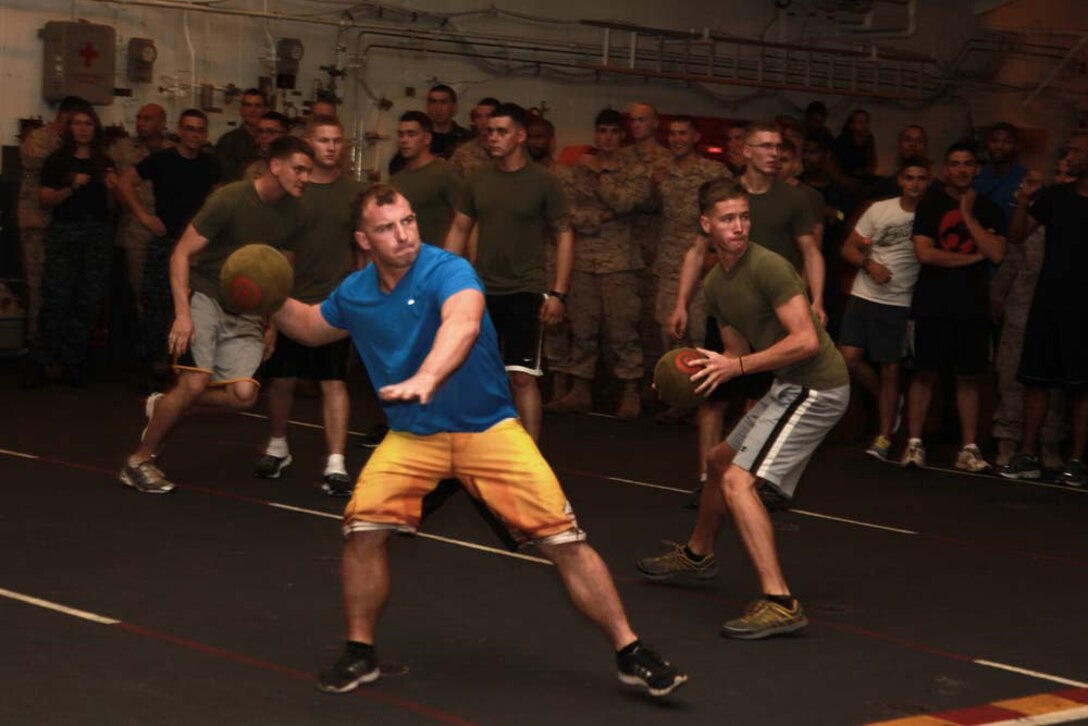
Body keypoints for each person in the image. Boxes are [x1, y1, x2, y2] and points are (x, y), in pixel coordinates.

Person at [270, 183, 687, 697]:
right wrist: (267, 297)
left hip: (487, 431)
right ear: (363, 240)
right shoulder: (355, 293)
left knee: (565, 542)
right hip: (413, 437)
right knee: (362, 531)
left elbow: (463, 323)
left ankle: (630, 651)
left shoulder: (448, 270)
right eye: (386, 228)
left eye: (407, 221)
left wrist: (428, 375)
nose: (403, 235)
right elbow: (311, 327)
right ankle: (360, 651)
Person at [637, 179, 850, 639]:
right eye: (728, 219)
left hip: (817, 387)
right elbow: (735, 356)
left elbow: (806, 340)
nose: (739, 227)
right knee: (719, 461)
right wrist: (687, 371)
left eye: (744, 217)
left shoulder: (770, 267)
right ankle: (697, 555)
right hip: (787, 384)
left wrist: (736, 364)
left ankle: (780, 601)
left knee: (738, 482)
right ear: (706, 224)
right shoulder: (715, 283)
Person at [118, 136, 314, 494]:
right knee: (194, 382)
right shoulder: (230, 199)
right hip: (205, 297)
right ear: (275, 165)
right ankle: (139, 461)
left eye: (308, 171)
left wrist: (271, 325)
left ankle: (166, 406)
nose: (304, 177)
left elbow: (278, 272)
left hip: (248, 312)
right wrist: (182, 314)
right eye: (299, 169)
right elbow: (180, 255)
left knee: (243, 396)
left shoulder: (297, 214)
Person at [444, 103, 573, 441]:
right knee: (471, 373)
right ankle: (473, 446)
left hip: (525, 291)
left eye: (501, 131)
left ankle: (529, 460)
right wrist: (443, 282)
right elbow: (459, 229)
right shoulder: (477, 180)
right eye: (489, 131)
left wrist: (558, 293)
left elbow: (564, 234)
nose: (493, 138)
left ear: (521, 136)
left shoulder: (543, 182)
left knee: (522, 377)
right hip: (482, 291)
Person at [257, 117, 364, 496]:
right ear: (308, 143)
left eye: (337, 140)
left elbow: (362, 251)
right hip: (291, 301)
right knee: (282, 379)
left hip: (336, 304)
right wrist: (271, 312)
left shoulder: (355, 193)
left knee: (333, 382)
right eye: (323, 140)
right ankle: (278, 446)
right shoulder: (293, 192)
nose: (331, 147)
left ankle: (336, 463)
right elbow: (278, 254)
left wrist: (361, 299)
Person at [901, 141, 1006, 470]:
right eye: (955, 163)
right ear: (946, 169)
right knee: (924, 374)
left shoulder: (988, 208)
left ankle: (969, 448)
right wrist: (972, 257)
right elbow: (925, 253)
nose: (961, 169)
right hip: (933, 301)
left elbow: (998, 253)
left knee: (969, 377)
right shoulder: (930, 204)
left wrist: (965, 214)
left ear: (976, 169)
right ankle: (914, 444)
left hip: (972, 304)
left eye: (968, 163)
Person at [544, 109, 652, 419]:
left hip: (619, 262)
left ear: (621, 136)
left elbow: (625, 202)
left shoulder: (634, 170)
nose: (606, 137)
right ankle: (580, 389)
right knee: (582, 328)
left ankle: (630, 391)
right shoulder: (577, 171)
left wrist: (600, 177)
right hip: (582, 260)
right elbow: (568, 213)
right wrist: (601, 217)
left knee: (623, 330)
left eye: (612, 131)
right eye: (601, 131)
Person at [1000, 134, 1088, 487]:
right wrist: (1023, 201)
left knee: (1082, 388)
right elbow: (1018, 235)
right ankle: (1027, 453)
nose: (1070, 156)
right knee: (1035, 381)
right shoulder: (1055, 197)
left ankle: (1077, 460)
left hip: (1084, 309)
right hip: (1048, 301)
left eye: (1078, 151)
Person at [117, 109, 222, 381]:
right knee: (156, 307)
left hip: (198, 249)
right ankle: (153, 366)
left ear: (205, 134)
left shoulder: (211, 165)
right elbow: (125, 181)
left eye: (199, 129)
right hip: (165, 243)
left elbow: (222, 200)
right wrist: (143, 216)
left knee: (196, 309)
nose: (194, 134)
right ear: (179, 130)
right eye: (189, 128)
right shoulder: (161, 160)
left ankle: (187, 370)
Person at [838, 158, 931, 461]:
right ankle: (887, 401)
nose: (915, 183)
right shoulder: (880, 210)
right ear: (900, 180)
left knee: (891, 369)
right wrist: (869, 263)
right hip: (864, 294)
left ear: (928, 181)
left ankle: (884, 436)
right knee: (848, 359)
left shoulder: (932, 213)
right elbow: (850, 247)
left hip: (900, 301)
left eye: (921, 178)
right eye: (909, 177)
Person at [24, 107, 118, 387]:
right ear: (70, 128)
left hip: (97, 235)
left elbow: (115, 207)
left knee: (87, 301)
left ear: (95, 128)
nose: (82, 129)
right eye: (77, 123)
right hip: (65, 233)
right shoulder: (58, 161)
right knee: (56, 298)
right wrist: (72, 187)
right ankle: (43, 361)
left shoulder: (104, 162)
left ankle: (73, 362)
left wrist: (113, 189)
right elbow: (44, 200)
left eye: (88, 123)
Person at [990, 165, 1069, 470]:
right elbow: (1012, 256)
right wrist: (997, 294)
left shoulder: (1074, 218)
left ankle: (1048, 442)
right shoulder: (1034, 218)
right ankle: (1008, 439)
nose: (1060, 180)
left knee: (1054, 382)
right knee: (1011, 373)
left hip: (1058, 307)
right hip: (1022, 305)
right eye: (1057, 174)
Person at [18, 96, 91, 344]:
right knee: (39, 288)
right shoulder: (42, 139)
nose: (78, 127)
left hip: (63, 225)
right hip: (38, 223)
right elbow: (38, 161)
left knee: (65, 289)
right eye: (72, 121)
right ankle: (36, 345)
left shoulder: (74, 146)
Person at [109, 103, 170, 314]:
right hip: (135, 228)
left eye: (147, 119)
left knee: (168, 289)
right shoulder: (121, 148)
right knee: (139, 289)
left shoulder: (172, 149)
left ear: (162, 123)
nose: (141, 123)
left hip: (168, 228)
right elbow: (111, 179)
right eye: (139, 118)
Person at [391, 111, 466, 247]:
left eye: (411, 134)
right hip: (406, 257)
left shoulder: (444, 173)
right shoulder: (395, 180)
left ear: (427, 138)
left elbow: (465, 222)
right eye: (401, 135)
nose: (404, 140)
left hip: (439, 259)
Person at [388, 84, 473, 175]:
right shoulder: (418, 138)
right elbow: (396, 169)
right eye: (433, 102)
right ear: (427, 107)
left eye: (444, 102)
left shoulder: (466, 139)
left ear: (454, 107)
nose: (438, 108)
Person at [974, 122, 1027, 224]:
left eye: (1007, 142)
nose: (999, 146)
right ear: (987, 143)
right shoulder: (978, 175)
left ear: (1016, 146)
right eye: (995, 141)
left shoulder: (1025, 179)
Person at [864, 125, 930, 201]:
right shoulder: (883, 186)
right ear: (899, 144)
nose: (913, 144)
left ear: (925, 146)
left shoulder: (935, 188)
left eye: (919, 141)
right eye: (908, 140)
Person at [215, 88, 267, 182]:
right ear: (241, 110)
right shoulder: (228, 141)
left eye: (258, 106)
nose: (252, 110)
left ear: (265, 110)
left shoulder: (273, 140)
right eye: (248, 105)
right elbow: (225, 179)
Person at [449, 97, 500, 178]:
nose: (483, 122)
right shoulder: (463, 154)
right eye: (479, 117)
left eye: (489, 116)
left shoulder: (510, 150)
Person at [833, 109, 878, 182]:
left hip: (863, 177)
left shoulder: (869, 139)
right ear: (851, 125)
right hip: (845, 179)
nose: (864, 126)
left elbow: (872, 162)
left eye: (866, 122)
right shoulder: (842, 141)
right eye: (859, 122)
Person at [243, 111, 290, 181]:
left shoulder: (294, 166)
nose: (263, 136)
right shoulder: (253, 168)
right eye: (260, 131)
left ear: (285, 134)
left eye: (271, 132)